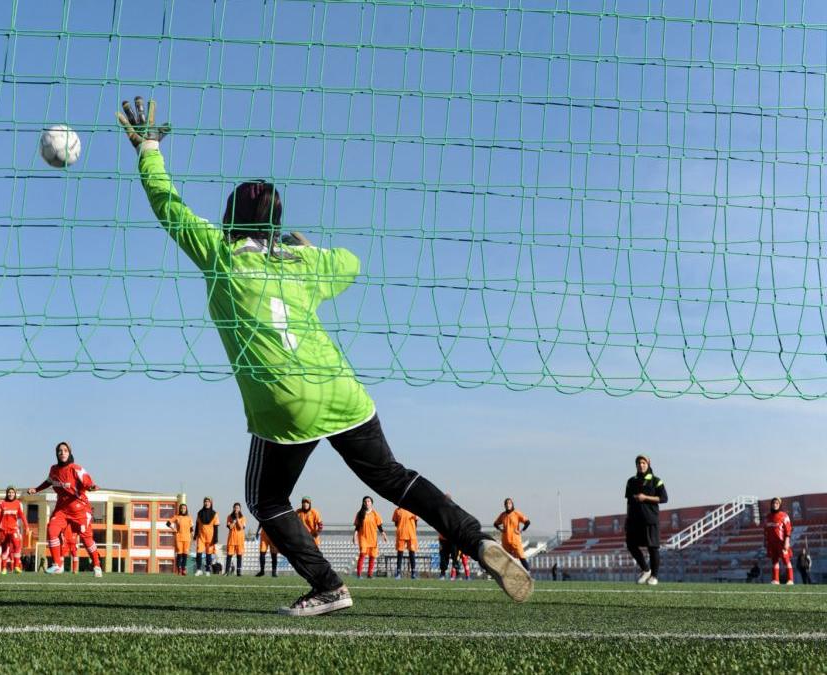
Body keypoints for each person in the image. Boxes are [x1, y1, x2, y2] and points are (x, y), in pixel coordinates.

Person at [118, 97, 532, 616]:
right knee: (394, 478)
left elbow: (166, 204)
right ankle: (475, 540)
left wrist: (148, 147)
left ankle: (328, 586)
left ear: (228, 220)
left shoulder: (219, 255)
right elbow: (351, 262)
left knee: (266, 500)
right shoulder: (304, 266)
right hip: (341, 389)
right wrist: (304, 249)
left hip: (284, 401)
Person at [27, 442, 103, 577]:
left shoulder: (76, 469)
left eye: (65, 450)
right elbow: (49, 482)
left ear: (70, 453)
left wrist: (91, 487)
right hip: (62, 508)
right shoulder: (53, 469)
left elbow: (87, 482)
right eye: (60, 451)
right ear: (56, 454)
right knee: (51, 530)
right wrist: (36, 489)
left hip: (79, 509)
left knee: (86, 540)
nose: (62, 453)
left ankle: (97, 565)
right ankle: (57, 565)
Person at [624, 454, 668, 586]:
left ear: (648, 464)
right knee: (631, 545)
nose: (641, 465)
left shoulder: (656, 481)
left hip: (650, 519)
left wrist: (646, 497)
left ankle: (654, 576)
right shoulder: (631, 481)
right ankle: (646, 569)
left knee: (652, 548)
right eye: (638, 463)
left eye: (643, 463)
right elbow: (629, 502)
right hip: (634, 520)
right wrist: (627, 519)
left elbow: (664, 499)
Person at [0, 487, 28, 574]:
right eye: (9, 492)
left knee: (17, 545)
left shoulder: (18, 503)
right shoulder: (2, 502)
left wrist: (27, 526)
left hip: (14, 528)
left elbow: (22, 515)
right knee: (5, 549)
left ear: (15, 494)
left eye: (12, 492)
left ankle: (17, 566)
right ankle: (4, 568)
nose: (10, 494)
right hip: (3, 529)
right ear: (7, 493)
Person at [353, 497, 387, 579]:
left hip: (373, 538)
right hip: (363, 537)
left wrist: (383, 534)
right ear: (363, 503)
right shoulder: (360, 513)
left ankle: (369, 574)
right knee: (362, 555)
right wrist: (354, 536)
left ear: (371, 503)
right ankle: (359, 574)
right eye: (365, 501)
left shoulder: (375, 513)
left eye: (368, 501)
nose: (367, 502)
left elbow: (379, 525)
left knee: (372, 556)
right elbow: (357, 527)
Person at [493, 498, 531, 571]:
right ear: (504, 505)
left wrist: (522, 531)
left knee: (521, 557)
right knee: (506, 559)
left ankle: (528, 573)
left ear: (512, 504)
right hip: (505, 540)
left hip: (515, 540)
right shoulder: (503, 515)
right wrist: (500, 529)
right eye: (506, 503)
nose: (508, 505)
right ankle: (506, 575)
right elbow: (495, 524)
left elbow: (527, 522)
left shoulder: (517, 513)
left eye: (509, 503)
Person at [764, 497, 794, 586]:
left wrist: (787, 542)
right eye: (773, 503)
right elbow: (765, 531)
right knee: (774, 561)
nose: (775, 505)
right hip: (771, 543)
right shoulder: (767, 517)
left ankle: (790, 579)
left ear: (779, 505)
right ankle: (775, 580)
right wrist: (766, 542)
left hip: (781, 542)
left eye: (777, 503)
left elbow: (788, 530)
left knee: (786, 560)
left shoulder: (784, 516)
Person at [193, 497, 219, 577]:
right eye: (205, 501)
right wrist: (195, 535)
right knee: (199, 553)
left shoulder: (215, 514)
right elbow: (197, 525)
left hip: (210, 537)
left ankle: (208, 570)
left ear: (211, 503)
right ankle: (199, 569)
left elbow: (216, 527)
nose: (207, 503)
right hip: (201, 536)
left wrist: (215, 538)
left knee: (208, 554)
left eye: (208, 502)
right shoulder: (199, 513)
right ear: (203, 503)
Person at [166, 503, 194, 576]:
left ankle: (183, 569)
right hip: (179, 538)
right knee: (179, 554)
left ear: (186, 509)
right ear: (180, 509)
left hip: (187, 538)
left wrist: (193, 537)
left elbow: (191, 529)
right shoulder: (177, 517)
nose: (183, 509)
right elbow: (168, 523)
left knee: (185, 554)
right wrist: (173, 528)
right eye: (181, 508)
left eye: (184, 508)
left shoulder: (189, 518)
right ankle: (178, 569)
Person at [391, 506, 418, 579]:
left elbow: (416, 522)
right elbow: (396, 523)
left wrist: (412, 529)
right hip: (401, 534)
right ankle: (398, 573)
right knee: (400, 555)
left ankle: (413, 573)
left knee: (412, 554)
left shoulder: (413, 509)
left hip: (411, 535)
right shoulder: (397, 510)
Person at [225, 503, 247, 576]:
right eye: (235, 507)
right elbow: (230, 527)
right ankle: (227, 571)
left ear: (240, 509)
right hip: (232, 539)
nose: (236, 509)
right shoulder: (229, 517)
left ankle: (238, 572)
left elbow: (241, 527)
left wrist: (237, 519)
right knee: (229, 555)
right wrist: (234, 521)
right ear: (233, 508)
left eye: (238, 508)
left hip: (240, 539)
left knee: (239, 556)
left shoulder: (243, 517)